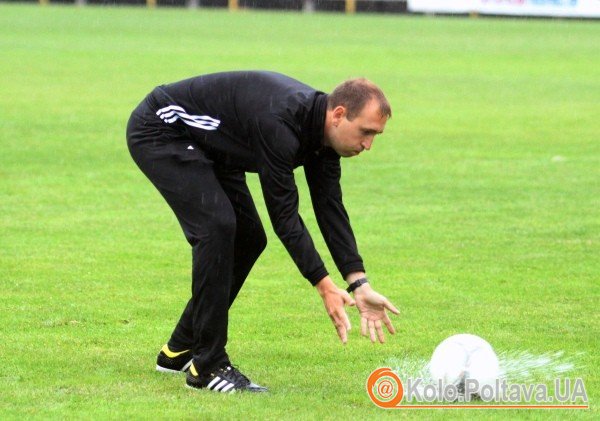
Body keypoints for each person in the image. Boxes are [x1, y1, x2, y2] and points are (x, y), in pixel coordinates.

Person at [126, 71, 400, 393]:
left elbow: (330, 208)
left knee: (249, 238)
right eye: (366, 132)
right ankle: (208, 366)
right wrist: (324, 285)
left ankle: (181, 349)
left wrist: (359, 283)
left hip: (214, 146)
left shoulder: (323, 137)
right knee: (217, 227)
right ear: (339, 115)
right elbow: (284, 216)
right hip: (162, 128)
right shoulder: (280, 123)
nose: (368, 145)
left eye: (375, 136)